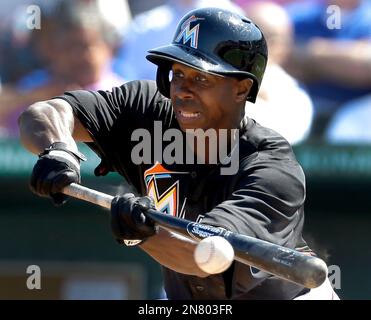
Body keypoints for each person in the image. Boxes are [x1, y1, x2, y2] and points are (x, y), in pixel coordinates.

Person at [18, 7, 338, 300]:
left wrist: (143, 233)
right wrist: (57, 147)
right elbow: (48, 112)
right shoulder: (146, 110)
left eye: (200, 78)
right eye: (178, 74)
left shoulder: (271, 166)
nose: (182, 90)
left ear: (241, 88)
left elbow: (204, 257)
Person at [242, 1, 313, 145]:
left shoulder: (295, 97)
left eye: (253, 36)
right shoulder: (215, 77)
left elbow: (274, 145)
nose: (242, 43)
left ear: (278, 46)